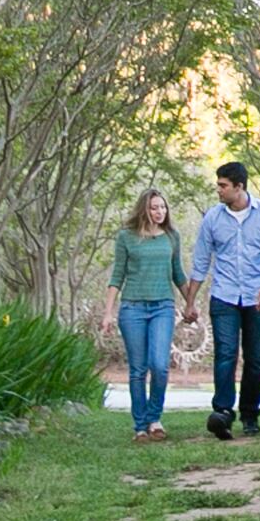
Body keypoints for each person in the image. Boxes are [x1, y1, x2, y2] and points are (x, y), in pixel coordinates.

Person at [186, 159, 260, 440]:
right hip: (224, 296)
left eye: (223, 185)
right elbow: (201, 263)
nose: (218, 190)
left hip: (258, 296)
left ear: (239, 187)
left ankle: (250, 414)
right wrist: (190, 302)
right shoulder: (213, 219)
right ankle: (222, 414)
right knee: (226, 354)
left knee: (254, 358)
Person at [112, 189, 185, 441]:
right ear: (144, 209)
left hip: (162, 306)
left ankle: (155, 418)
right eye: (154, 207)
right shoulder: (126, 237)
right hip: (132, 308)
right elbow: (116, 277)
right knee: (138, 370)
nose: (159, 212)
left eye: (163, 207)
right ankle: (141, 426)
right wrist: (107, 312)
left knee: (160, 365)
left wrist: (192, 303)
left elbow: (178, 274)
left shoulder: (171, 236)